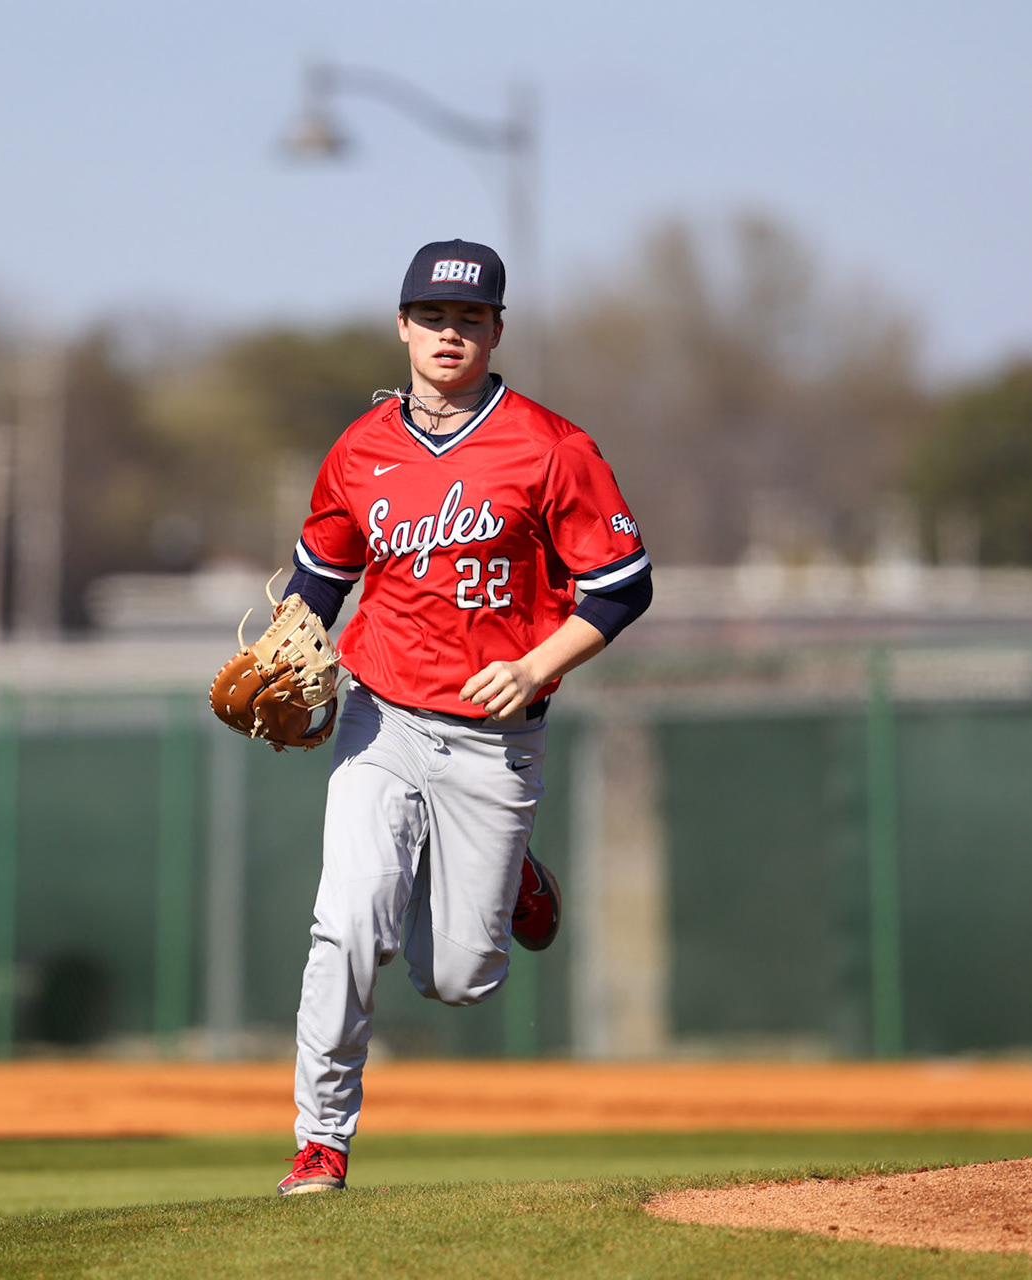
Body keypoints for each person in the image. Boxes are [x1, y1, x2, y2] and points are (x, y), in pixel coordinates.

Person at [274, 240, 652, 1194]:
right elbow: (320, 576)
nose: (451, 334)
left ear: (496, 330)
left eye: (470, 319)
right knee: (351, 917)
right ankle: (321, 1141)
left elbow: (621, 586)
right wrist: (287, 642)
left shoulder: (551, 446)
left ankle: (513, 872)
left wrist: (535, 667)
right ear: (403, 325)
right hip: (381, 715)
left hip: (495, 732)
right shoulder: (361, 450)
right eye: (433, 318)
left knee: (458, 978)